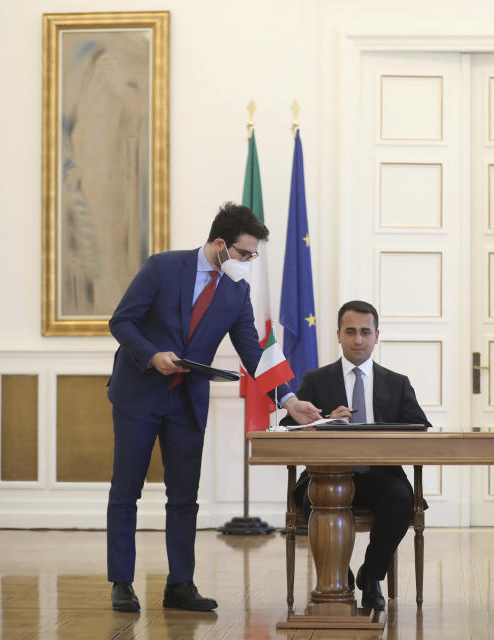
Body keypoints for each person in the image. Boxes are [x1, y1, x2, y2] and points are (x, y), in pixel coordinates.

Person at [106, 202, 322, 612]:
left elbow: (254, 353)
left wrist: (290, 401)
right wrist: (153, 356)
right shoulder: (162, 267)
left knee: (184, 495)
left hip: (186, 401)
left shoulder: (236, 292)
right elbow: (122, 322)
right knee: (126, 491)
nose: (247, 262)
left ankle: (180, 585)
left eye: (253, 255)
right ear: (220, 244)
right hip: (139, 393)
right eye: (244, 253)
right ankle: (121, 581)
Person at [284, 300, 431, 611]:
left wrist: (384, 434)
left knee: (402, 501)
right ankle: (338, 578)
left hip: (380, 474)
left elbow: (419, 427)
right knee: (313, 500)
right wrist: (325, 422)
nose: (358, 340)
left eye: (365, 332)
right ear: (338, 335)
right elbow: (288, 428)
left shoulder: (396, 382)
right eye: (350, 332)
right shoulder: (316, 380)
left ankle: (371, 574)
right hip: (326, 473)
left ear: (377, 336)